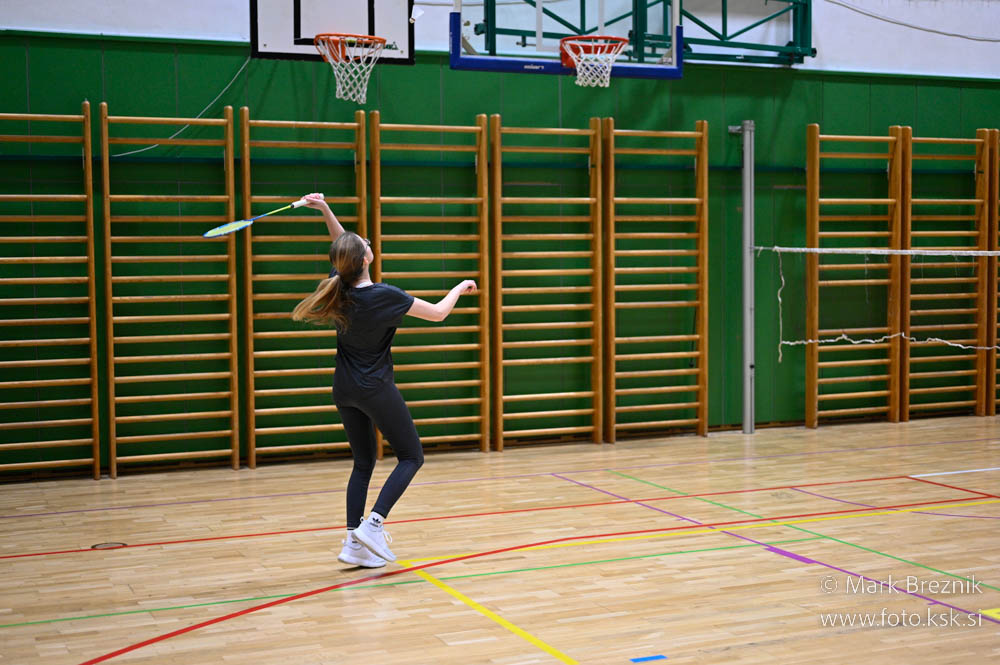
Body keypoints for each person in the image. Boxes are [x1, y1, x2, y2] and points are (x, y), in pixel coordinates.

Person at [292, 193, 477, 568]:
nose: (367, 242)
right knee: (411, 456)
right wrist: (460, 287)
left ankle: (352, 542)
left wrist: (325, 209)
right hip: (374, 387)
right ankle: (373, 525)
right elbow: (438, 314)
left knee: (363, 462)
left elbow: (343, 246)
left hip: (344, 388)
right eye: (365, 244)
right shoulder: (385, 296)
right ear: (364, 259)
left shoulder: (339, 286)